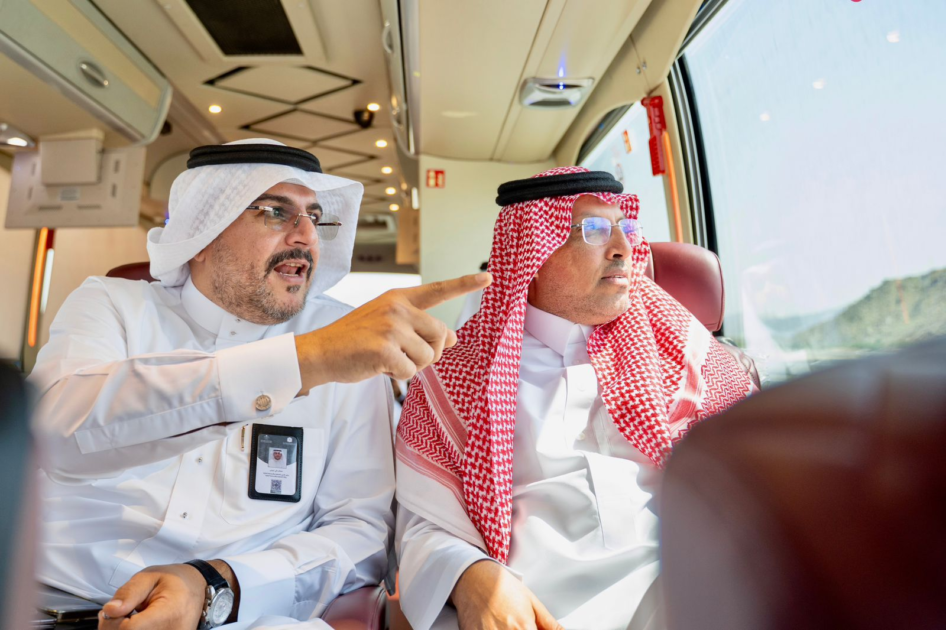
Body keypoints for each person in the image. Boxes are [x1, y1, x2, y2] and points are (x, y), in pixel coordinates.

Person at [28, 139, 489, 629]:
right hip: (50, 606)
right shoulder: (114, 305)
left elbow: (359, 531)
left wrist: (218, 585)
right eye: (275, 212)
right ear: (200, 234)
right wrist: (304, 361)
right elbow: (56, 433)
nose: (307, 235)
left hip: (239, 618)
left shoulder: (347, 340)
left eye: (315, 217)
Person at [394, 167, 757, 630]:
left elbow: (758, 476)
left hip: (686, 593)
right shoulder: (453, 376)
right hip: (535, 611)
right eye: (594, 231)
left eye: (624, 228)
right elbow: (424, 525)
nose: (623, 248)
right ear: (534, 252)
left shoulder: (681, 348)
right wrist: (470, 575)